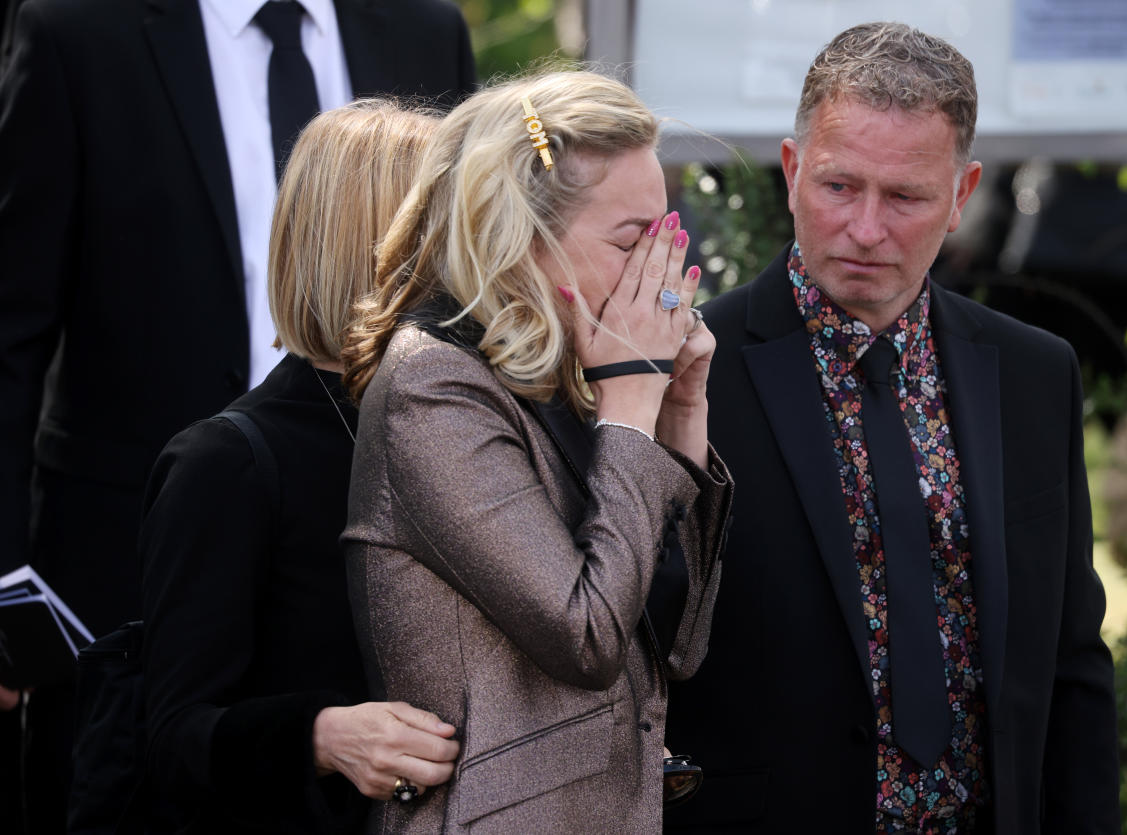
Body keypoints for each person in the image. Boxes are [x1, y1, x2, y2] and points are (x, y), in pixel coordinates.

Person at [0, 1, 475, 828]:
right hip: (138, 557)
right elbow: (10, 330)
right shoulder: (79, 28)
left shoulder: (425, 27)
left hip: (370, 484)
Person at [664, 22, 1120, 834]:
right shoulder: (691, 371)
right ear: (794, 169)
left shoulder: (1033, 374)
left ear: (961, 194)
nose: (867, 229)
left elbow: (1070, 662)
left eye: (905, 196)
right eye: (840, 187)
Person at [340, 71, 733, 832]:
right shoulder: (436, 385)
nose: (659, 274)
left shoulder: (582, 372)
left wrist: (682, 411)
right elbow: (586, 638)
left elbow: (678, 647)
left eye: (663, 235)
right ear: (524, 232)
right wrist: (630, 408)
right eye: (631, 239)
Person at [136, 100, 458, 834]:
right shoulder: (228, 462)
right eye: (465, 222)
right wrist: (320, 735)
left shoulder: (465, 419)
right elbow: (173, 738)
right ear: (394, 245)